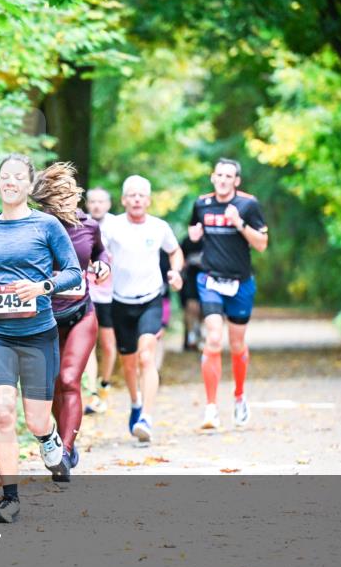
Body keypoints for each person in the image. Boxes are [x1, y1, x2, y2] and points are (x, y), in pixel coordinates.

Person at [0, 154, 83, 523]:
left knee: (35, 422)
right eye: (5, 176)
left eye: (18, 177)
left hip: (38, 335)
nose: (11, 182)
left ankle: (50, 441)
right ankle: (9, 498)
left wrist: (42, 287)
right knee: (2, 413)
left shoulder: (46, 226)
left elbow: (74, 273)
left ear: (30, 186)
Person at [30, 165, 110, 482]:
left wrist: (102, 265)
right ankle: (63, 441)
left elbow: (100, 253)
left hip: (80, 313)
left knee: (68, 379)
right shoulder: (35, 227)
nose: (51, 210)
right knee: (50, 386)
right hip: (44, 317)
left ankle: (63, 452)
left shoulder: (89, 226)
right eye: (46, 205)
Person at [100, 175, 183, 444]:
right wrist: (98, 267)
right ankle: (135, 402)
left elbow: (175, 251)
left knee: (147, 356)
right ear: (124, 200)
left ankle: (146, 417)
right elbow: (97, 251)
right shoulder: (112, 227)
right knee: (129, 363)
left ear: (148, 200)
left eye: (141, 195)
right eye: (131, 195)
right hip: (120, 301)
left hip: (150, 299)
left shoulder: (159, 227)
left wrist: (176, 272)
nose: (136, 199)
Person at [188, 158, 269, 430]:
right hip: (210, 280)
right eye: (219, 175)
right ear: (213, 177)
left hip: (241, 283)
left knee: (236, 345)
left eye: (228, 176)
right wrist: (194, 235)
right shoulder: (201, 204)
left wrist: (240, 224)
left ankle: (239, 396)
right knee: (213, 338)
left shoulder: (248, 205)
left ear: (236, 181)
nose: (223, 180)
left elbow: (262, 245)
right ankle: (211, 409)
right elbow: (192, 232)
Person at [83, 188, 117, 415]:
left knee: (107, 344)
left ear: (108, 204)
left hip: (111, 294)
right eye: (92, 201)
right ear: (87, 204)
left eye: (100, 201)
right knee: (88, 343)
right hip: (86, 292)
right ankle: (92, 392)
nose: (96, 205)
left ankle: (104, 385)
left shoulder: (118, 226)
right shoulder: (80, 224)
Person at [179, 234, 205, 351]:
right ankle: (190, 336)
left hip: (207, 278)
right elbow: (180, 259)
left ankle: (197, 332)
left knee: (203, 310)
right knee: (190, 307)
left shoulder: (211, 239)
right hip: (190, 279)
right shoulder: (187, 241)